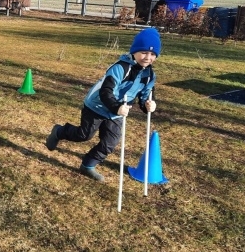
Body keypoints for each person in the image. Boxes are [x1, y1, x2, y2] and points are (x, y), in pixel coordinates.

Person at [45, 28, 161, 182]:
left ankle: (88, 165)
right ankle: (59, 131)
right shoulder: (121, 68)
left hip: (117, 112)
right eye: (144, 52)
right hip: (97, 106)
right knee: (84, 135)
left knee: (110, 143)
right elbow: (105, 91)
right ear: (134, 51)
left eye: (153, 54)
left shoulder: (149, 75)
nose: (148, 57)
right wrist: (117, 107)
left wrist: (148, 105)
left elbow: (146, 94)